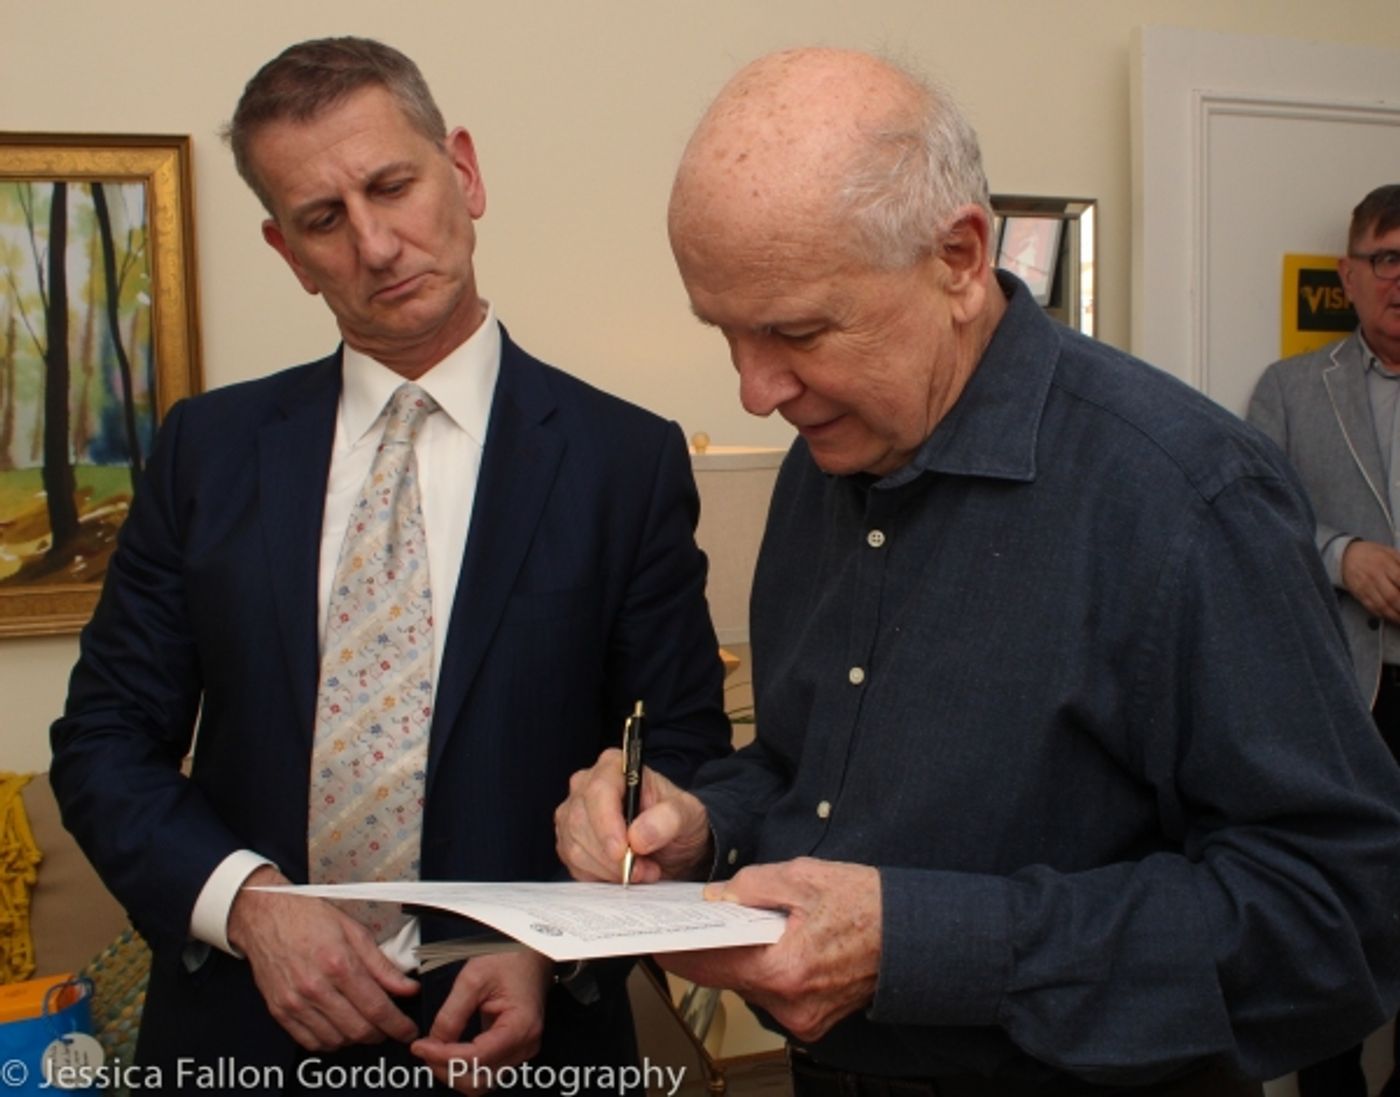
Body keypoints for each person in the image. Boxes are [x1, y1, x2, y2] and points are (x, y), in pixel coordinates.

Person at [554, 48, 1400, 1096]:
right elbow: (799, 767)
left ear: (957, 257)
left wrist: (927, 944)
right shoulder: (825, 461)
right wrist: (699, 823)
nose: (754, 389)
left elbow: (1339, 916)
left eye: (797, 331)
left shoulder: (1186, 498)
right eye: (724, 332)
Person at [50, 36, 730, 1096]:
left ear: (462, 171)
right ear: (286, 249)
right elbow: (101, 741)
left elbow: (682, 759)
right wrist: (247, 902)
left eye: (391, 185)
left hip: (522, 1043)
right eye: (324, 219)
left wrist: (554, 948)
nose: (374, 244)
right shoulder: (206, 452)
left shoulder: (622, 462)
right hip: (243, 1033)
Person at [1247, 182, 1400, 1097]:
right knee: (1333, 910)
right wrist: (1341, 557)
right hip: (1345, 694)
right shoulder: (1291, 390)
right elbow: (1254, 529)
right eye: (1387, 260)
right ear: (1348, 275)